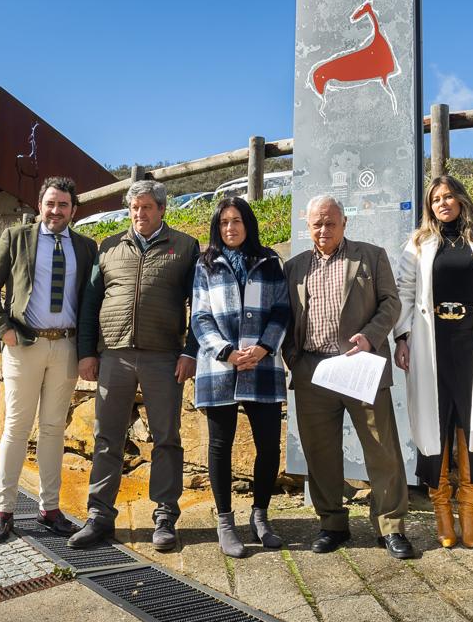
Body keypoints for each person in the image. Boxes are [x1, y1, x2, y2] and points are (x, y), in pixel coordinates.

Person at [69, 179, 200, 552]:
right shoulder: (109, 247)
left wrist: (190, 351)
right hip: (114, 355)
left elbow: (199, 305)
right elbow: (90, 303)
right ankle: (99, 516)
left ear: (161, 210)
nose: (139, 214)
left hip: (164, 358)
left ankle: (164, 517)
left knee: (167, 439)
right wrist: (86, 352)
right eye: (134, 208)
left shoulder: (185, 247)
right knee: (107, 437)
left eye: (146, 207)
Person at [283, 195, 414, 559]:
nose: (323, 230)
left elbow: (391, 303)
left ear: (344, 223)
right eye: (317, 224)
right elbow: (285, 316)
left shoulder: (370, 257)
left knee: (381, 447)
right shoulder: (293, 267)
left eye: (330, 222)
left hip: (361, 366)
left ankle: (390, 526)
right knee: (320, 452)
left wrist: (371, 338)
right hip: (313, 370)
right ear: (307, 226)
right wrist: (294, 359)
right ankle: (332, 524)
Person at [0, 176, 97, 544]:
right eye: (50, 204)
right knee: (16, 426)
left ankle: (49, 508)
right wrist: (3, 330)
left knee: (52, 429)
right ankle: (4, 510)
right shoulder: (16, 238)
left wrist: (87, 349)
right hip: (24, 346)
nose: (56, 211)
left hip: (65, 347)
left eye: (63, 205)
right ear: (40, 205)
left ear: (73, 210)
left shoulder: (86, 247)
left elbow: (90, 301)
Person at [393, 175, 473, 549]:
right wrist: (403, 337)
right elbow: (404, 293)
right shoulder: (418, 244)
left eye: (448, 196)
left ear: (460, 199)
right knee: (435, 423)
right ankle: (442, 510)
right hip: (432, 341)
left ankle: (469, 512)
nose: (443, 203)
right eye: (436, 199)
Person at [190, 197, 290, 557]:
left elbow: (282, 309)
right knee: (220, 446)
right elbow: (200, 316)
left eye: (236, 221)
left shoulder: (269, 261)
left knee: (268, 446)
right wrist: (226, 352)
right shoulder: (206, 264)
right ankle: (225, 522)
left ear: (248, 224)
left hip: (262, 365)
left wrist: (264, 347)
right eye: (223, 223)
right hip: (221, 366)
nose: (230, 228)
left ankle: (260, 516)